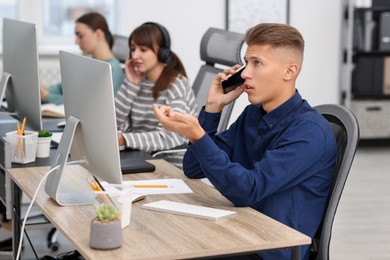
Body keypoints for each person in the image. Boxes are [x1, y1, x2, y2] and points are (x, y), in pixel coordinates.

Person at [153, 23, 338, 260]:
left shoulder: (310, 133)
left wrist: (198, 134)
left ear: (289, 72)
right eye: (246, 62)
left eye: (257, 63)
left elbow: (247, 190)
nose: (246, 73)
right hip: (239, 231)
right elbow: (193, 168)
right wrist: (212, 109)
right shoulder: (253, 114)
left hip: (268, 250)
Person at [115, 22, 197, 168]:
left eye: (143, 50)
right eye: (133, 49)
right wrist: (131, 84)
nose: (135, 56)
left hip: (169, 166)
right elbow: (114, 123)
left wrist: (124, 139)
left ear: (161, 53)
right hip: (141, 158)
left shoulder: (176, 84)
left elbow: (171, 136)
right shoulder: (138, 80)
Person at [40, 12, 124, 104]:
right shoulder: (88, 64)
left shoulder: (112, 70)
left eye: (80, 36)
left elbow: (87, 104)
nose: (76, 42)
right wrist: (44, 91)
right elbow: (64, 87)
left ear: (98, 34)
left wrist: (48, 97)